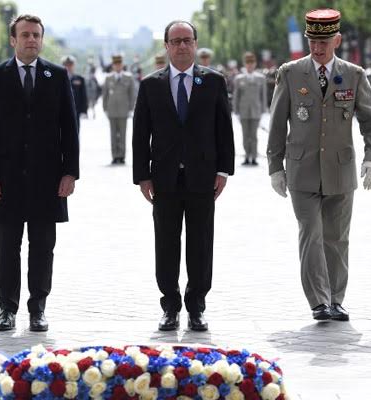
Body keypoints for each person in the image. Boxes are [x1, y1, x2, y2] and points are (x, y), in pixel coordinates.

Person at [266, 8, 371, 322]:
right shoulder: (290, 73)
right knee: (311, 234)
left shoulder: (355, 75)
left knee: (337, 238)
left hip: (340, 171)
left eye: (324, 41)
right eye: (312, 41)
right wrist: (275, 166)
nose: (317, 48)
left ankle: (336, 299)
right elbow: (278, 124)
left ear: (337, 40)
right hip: (302, 171)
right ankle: (318, 301)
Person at [0, 14, 79, 332]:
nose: (31, 39)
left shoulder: (57, 76)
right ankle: (7, 308)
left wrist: (70, 173)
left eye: (36, 35)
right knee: (7, 246)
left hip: (48, 179)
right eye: (25, 35)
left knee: (43, 245)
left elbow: (69, 129)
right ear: (13, 40)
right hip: (6, 179)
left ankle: (38, 308)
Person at [132, 20, 235, 332]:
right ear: (166, 46)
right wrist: (142, 176)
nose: (181, 46)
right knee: (166, 243)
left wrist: (223, 169)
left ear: (195, 43)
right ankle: (170, 306)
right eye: (175, 41)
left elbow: (224, 130)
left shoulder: (214, 81)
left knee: (201, 243)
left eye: (186, 40)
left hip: (203, 177)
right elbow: (140, 134)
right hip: (164, 179)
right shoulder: (151, 85)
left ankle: (197, 306)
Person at [232, 51, 266, 165]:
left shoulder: (260, 78)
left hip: (256, 110)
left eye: (252, 62)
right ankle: (247, 156)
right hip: (243, 110)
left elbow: (263, 95)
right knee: (245, 135)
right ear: (244, 64)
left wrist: (263, 110)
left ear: (255, 64)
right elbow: (236, 96)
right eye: (247, 63)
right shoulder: (239, 78)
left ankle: (254, 157)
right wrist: (235, 110)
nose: (250, 65)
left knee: (254, 135)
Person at [102, 54, 135, 164]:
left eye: (119, 64)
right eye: (116, 64)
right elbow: (105, 94)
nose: (118, 66)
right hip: (112, 110)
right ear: (113, 66)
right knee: (113, 134)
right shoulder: (108, 78)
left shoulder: (128, 77)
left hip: (123, 110)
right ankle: (114, 156)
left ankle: (122, 156)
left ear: (122, 65)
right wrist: (105, 108)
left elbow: (132, 94)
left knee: (122, 134)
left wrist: (131, 108)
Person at [62, 55, 88, 128]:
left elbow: (83, 95)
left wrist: (84, 110)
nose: (68, 67)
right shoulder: (58, 78)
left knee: (76, 130)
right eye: (66, 65)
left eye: (70, 65)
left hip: (76, 109)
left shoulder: (80, 79)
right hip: (62, 110)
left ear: (74, 65)